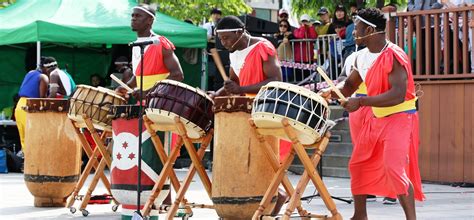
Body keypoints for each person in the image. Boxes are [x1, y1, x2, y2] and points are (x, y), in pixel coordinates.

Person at [324, 8, 425, 220]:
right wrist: (329, 93)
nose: (353, 32)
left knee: (393, 168)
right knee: (358, 165)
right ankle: (360, 216)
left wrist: (361, 102)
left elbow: (398, 95)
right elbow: (350, 85)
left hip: (399, 117)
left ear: (369, 30)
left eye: (357, 28)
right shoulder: (361, 57)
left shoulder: (394, 55)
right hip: (376, 118)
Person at [211, 15, 287, 216]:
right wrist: (215, 94)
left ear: (239, 33)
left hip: (266, 109)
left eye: (227, 38)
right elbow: (232, 83)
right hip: (246, 111)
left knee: (263, 157)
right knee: (250, 158)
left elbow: (275, 80)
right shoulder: (234, 53)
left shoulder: (262, 47)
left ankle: (276, 196)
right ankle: (273, 196)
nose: (224, 43)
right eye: (221, 39)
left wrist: (241, 88)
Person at [119, 4, 183, 98]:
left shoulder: (160, 43)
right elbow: (139, 76)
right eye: (132, 15)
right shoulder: (136, 45)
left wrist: (148, 92)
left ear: (150, 20)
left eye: (138, 16)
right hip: (144, 103)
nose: (133, 18)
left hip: (161, 103)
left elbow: (177, 75)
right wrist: (126, 87)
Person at [14, 57, 49, 151]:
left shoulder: (30, 72)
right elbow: (42, 98)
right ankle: (33, 164)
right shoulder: (43, 77)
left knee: (24, 140)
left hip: (19, 105)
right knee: (32, 139)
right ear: (47, 68)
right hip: (29, 106)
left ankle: (27, 163)